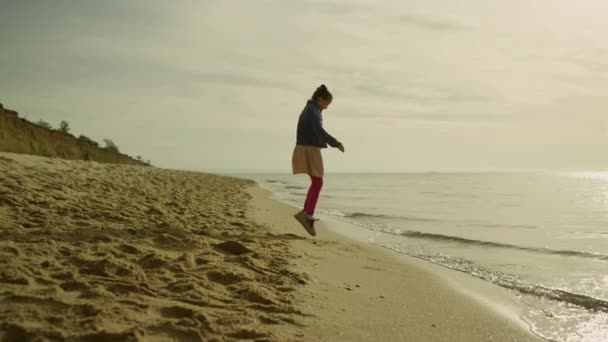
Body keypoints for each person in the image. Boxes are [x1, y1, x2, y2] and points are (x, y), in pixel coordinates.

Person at [292, 84, 345, 236]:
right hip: (309, 149)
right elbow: (319, 131)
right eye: (327, 104)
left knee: (316, 182)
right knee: (318, 182)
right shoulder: (312, 110)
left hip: (307, 147)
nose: (327, 107)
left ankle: (306, 213)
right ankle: (307, 215)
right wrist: (336, 143)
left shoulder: (312, 109)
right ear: (320, 99)